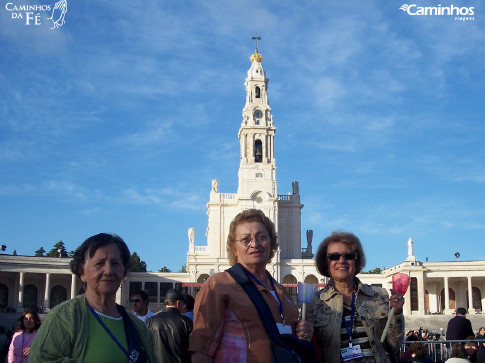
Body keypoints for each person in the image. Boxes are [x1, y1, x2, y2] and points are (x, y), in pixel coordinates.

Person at [189, 209, 314, 362]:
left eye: (261, 237)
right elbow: (201, 350)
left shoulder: (280, 290)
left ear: (271, 243)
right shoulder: (218, 285)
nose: (254, 244)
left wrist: (303, 333)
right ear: (234, 248)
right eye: (245, 239)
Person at [29, 233, 157, 363]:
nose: (108, 271)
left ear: (123, 272)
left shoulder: (140, 329)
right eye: (99, 263)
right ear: (81, 272)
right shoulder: (61, 318)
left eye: (115, 263)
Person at [307, 231, 405, 363]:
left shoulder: (378, 296)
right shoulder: (316, 303)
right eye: (334, 256)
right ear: (325, 262)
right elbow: (310, 349)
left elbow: (394, 344)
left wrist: (397, 314)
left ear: (356, 260)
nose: (341, 261)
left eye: (349, 255)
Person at [146, 289, 192, 363]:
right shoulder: (186, 322)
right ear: (178, 303)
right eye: (183, 304)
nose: (184, 308)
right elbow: (191, 349)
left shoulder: (150, 321)